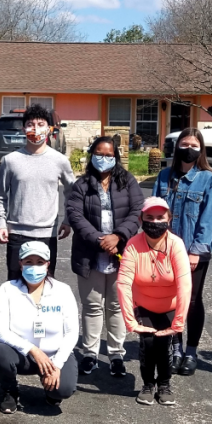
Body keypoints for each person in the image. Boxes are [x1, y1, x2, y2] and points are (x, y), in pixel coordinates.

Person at [65, 136, 143, 377]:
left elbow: (137, 210)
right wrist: (101, 239)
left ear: (116, 157)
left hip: (121, 253)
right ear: (92, 155)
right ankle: (90, 352)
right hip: (90, 254)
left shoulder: (128, 181)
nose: (104, 158)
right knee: (91, 305)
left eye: (109, 154)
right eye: (99, 153)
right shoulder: (81, 185)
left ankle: (116, 353)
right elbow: (74, 215)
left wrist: (118, 236)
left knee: (116, 305)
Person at [151, 127, 212, 376]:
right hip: (164, 250)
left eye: (194, 145)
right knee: (171, 300)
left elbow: (209, 219)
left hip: (193, 252)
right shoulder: (164, 176)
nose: (188, 149)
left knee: (191, 301)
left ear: (200, 150)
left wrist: (197, 251)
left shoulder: (207, 179)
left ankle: (191, 351)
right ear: (177, 146)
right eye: (185, 144)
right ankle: (176, 347)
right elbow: (153, 212)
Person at [117, 197, 191, 406]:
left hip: (170, 305)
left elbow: (185, 286)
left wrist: (178, 322)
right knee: (148, 343)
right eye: (149, 217)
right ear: (141, 219)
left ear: (169, 219)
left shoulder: (176, 245)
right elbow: (123, 283)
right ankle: (148, 384)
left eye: (160, 217)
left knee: (164, 345)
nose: (155, 221)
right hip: (145, 305)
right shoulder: (133, 245)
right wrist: (130, 321)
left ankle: (165, 384)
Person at [0, 241, 79, 414]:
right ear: (20, 264)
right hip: (23, 355)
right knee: (0, 352)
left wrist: (56, 365)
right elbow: (1, 331)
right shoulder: (7, 289)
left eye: (39, 262)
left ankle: (51, 391)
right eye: (28, 262)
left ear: (48, 264)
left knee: (64, 390)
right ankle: (10, 391)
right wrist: (33, 350)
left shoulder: (63, 290)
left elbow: (72, 332)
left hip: (54, 354)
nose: (34, 267)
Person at [0, 104, 75, 281]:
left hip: (47, 234)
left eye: (40, 124)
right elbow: (0, 196)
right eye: (30, 124)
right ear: (23, 129)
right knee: (16, 287)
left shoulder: (60, 161)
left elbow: (72, 193)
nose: (35, 129)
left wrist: (68, 220)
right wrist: (1, 224)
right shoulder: (10, 161)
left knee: (45, 286)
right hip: (17, 234)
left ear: (49, 129)